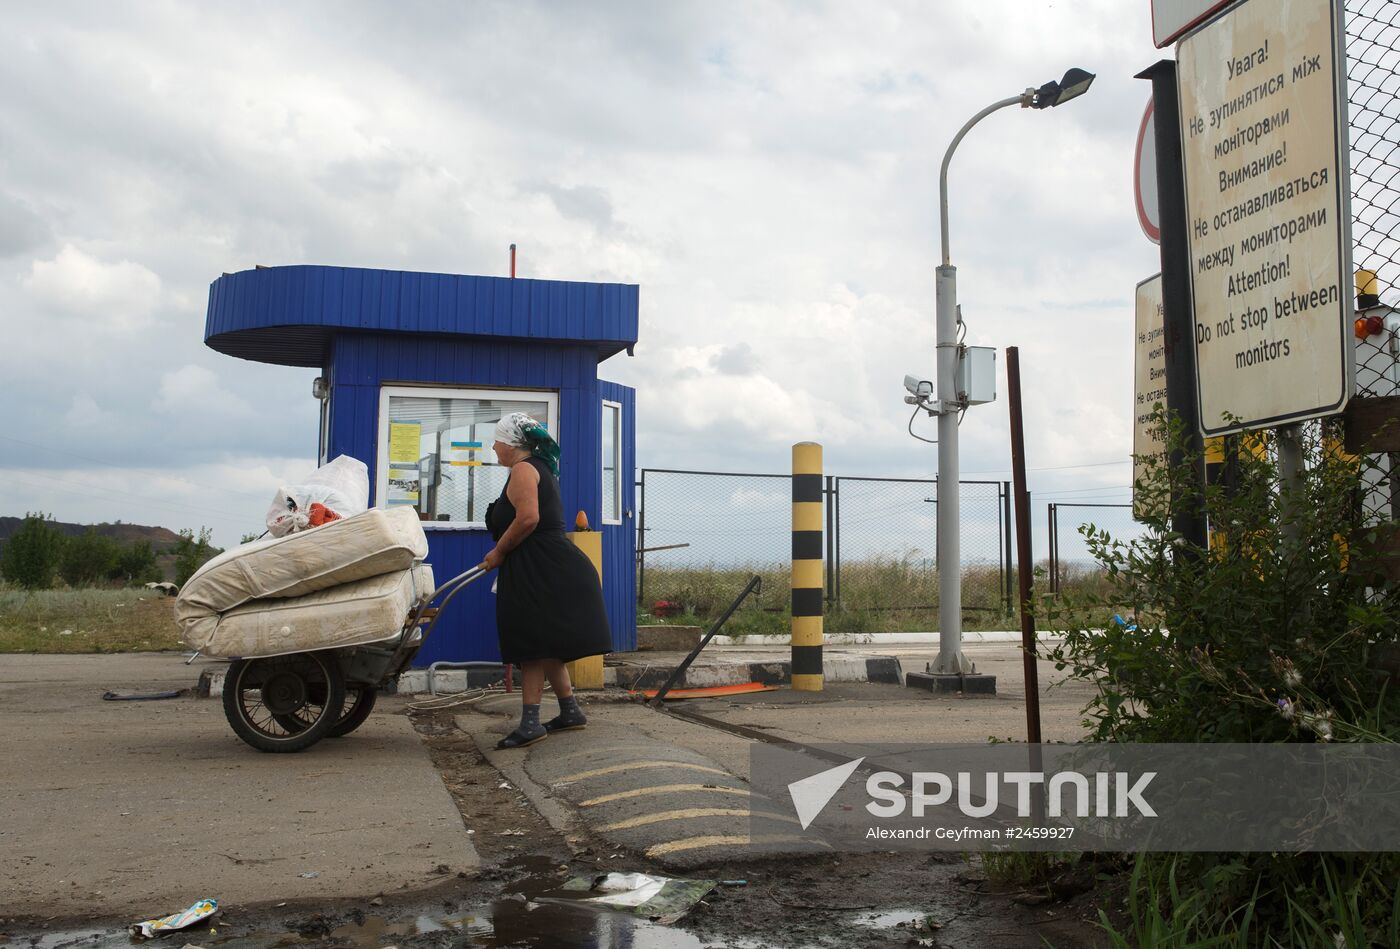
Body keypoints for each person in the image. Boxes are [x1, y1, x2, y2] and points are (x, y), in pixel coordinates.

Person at [482, 412, 613, 749]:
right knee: (546, 642)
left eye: (496, 440)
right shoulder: (536, 468)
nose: (493, 446)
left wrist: (498, 552)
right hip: (546, 564)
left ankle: (529, 724)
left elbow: (528, 519)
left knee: (531, 647)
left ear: (511, 443)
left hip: (542, 567)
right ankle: (570, 711)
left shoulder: (524, 470)